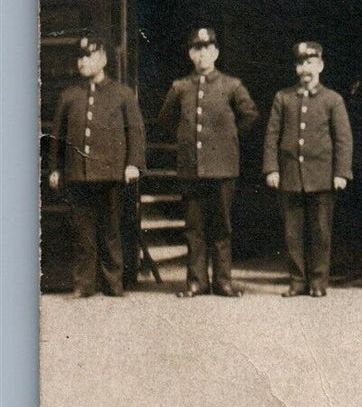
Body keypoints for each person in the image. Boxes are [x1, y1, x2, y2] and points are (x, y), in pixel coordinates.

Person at [157, 28, 259, 298]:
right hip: (192, 169)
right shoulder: (180, 87)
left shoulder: (231, 85)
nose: (202, 54)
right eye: (197, 48)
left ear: (216, 52)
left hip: (223, 168)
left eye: (207, 48)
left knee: (222, 226)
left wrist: (228, 139)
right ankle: (196, 282)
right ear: (191, 53)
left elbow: (249, 115)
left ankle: (223, 281)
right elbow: (165, 120)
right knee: (194, 228)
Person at [47, 37, 145, 297]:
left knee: (112, 230)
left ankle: (114, 283)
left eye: (89, 56)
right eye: (80, 57)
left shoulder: (122, 94)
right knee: (83, 232)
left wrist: (133, 164)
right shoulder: (69, 96)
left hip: (111, 175)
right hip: (78, 175)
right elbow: (57, 136)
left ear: (103, 59)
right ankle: (84, 284)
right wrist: (55, 168)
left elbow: (135, 132)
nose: (83, 62)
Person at [263, 42, 352, 297]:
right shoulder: (283, 97)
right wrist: (272, 168)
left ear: (320, 66)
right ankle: (297, 281)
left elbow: (343, 140)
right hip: (290, 175)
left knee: (321, 232)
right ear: (296, 68)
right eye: (301, 64)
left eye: (311, 64)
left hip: (322, 176)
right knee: (293, 233)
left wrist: (341, 173)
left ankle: (318, 282)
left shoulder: (333, 100)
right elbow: (272, 136)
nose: (306, 69)